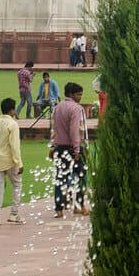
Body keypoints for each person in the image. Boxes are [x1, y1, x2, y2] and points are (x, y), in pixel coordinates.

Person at [52, 82, 89, 216]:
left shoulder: (57, 108)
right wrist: (77, 150)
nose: (80, 97)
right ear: (71, 95)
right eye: (78, 94)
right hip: (72, 148)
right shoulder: (76, 108)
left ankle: (59, 209)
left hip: (59, 147)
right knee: (80, 177)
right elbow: (75, 130)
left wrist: (52, 146)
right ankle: (78, 206)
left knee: (60, 178)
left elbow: (54, 129)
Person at [0, 96, 24, 225]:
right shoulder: (12, 124)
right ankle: (14, 214)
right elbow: (14, 146)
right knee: (17, 185)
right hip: (10, 160)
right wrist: (19, 163)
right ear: (11, 111)